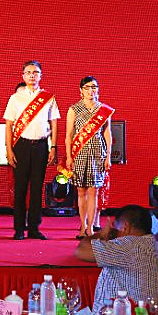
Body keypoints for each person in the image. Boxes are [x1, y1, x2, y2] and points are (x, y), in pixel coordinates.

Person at [74, 204, 158, 310]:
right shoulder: (149, 243)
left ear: (125, 227)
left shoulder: (130, 245)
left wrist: (101, 234)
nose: (114, 232)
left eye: (115, 227)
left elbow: (80, 251)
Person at [3, 61, 60, 240]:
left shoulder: (48, 97)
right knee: (20, 188)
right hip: (21, 146)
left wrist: (53, 147)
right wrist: (9, 150)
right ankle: (19, 229)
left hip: (41, 146)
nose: (32, 75)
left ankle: (34, 228)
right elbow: (9, 125)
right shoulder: (15, 98)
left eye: (35, 72)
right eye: (28, 72)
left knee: (37, 188)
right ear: (23, 76)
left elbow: (54, 123)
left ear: (41, 75)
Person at [64, 76, 113, 238]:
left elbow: (107, 134)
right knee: (80, 191)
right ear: (81, 90)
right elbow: (69, 135)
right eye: (87, 87)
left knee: (93, 191)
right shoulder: (74, 109)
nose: (91, 90)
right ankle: (82, 226)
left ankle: (91, 228)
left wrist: (108, 156)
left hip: (98, 153)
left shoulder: (104, 110)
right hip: (79, 153)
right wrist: (69, 156)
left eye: (94, 87)